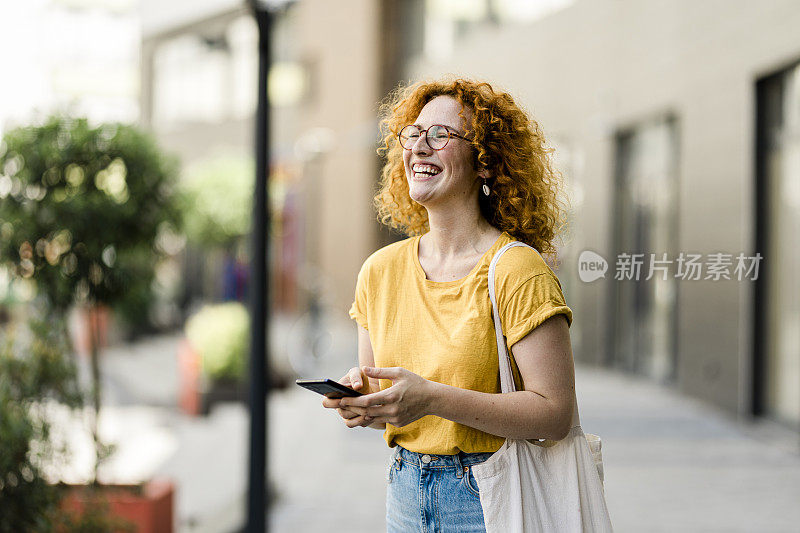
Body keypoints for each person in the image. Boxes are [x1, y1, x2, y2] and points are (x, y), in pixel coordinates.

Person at [322, 78, 576, 532]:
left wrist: (432, 398)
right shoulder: (379, 271)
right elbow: (384, 402)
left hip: (490, 496)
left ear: (485, 161)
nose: (420, 147)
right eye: (413, 135)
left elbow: (554, 415)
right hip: (404, 492)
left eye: (440, 136)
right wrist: (362, 402)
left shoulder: (517, 270)